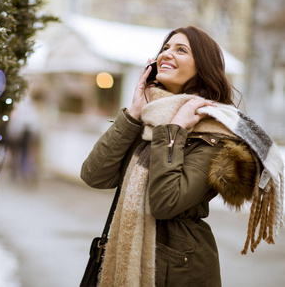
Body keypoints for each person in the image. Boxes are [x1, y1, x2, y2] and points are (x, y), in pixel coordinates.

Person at [80, 26, 284, 287]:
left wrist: (173, 131)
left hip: (178, 271)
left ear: (203, 68)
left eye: (180, 50)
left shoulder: (213, 133)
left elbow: (165, 203)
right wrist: (133, 112)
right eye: (165, 48)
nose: (166, 54)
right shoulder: (147, 121)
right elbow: (94, 175)